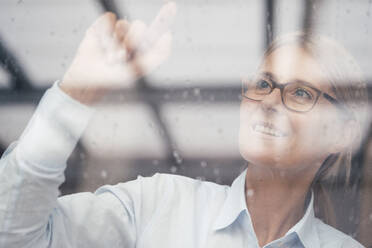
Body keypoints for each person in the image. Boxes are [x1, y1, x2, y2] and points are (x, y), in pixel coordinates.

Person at [0, 2, 368, 248]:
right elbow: (15, 236)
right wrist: (78, 90)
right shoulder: (157, 206)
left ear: (342, 133)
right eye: (263, 84)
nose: (269, 101)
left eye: (301, 93)